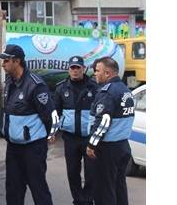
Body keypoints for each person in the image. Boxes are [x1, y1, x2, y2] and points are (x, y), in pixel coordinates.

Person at [0, 44, 59, 205]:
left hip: (33, 147)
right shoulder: (10, 82)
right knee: (13, 189)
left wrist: (48, 136)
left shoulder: (35, 85)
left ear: (17, 61)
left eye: (6, 60)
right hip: (13, 146)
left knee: (37, 187)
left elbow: (51, 116)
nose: (3, 64)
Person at [86, 57, 135, 205]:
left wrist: (91, 145)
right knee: (119, 186)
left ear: (107, 73)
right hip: (123, 146)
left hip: (108, 149)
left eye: (97, 71)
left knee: (104, 189)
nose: (95, 74)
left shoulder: (107, 92)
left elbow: (103, 122)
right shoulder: (126, 91)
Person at [53, 56, 99, 205]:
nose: (75, 70)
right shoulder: (61, 88)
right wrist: (52, 132)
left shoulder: (94, 87)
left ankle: (87, 199)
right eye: (72, 67)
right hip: (70, 138)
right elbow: (55, 113)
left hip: (89, 138)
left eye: (78, 67)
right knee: (72, 172)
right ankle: (78, 199)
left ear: (83, 69)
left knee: (92, 173)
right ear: (68, 69)